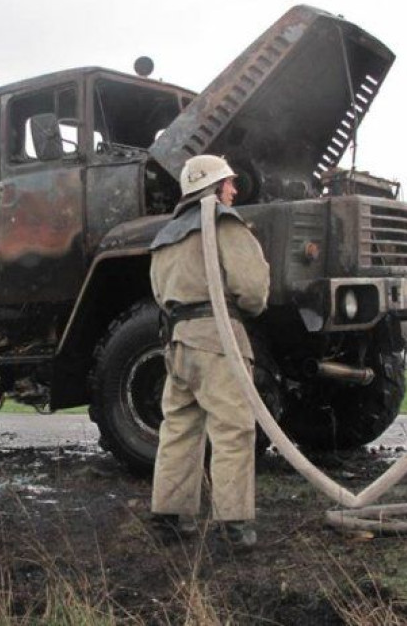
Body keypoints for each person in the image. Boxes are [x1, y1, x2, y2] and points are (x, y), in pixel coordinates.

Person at [148, 154, 270, 548]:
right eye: (228, 183)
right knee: (233, 428)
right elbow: (252, 289)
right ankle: (234, 525)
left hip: (177, 342)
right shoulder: (222, 223)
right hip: (218, 341)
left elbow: (158, 293)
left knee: (179, 428)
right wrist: (251, 308)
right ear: (213, 188)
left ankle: (169, 516)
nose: (234, 190)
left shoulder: (165, 237)